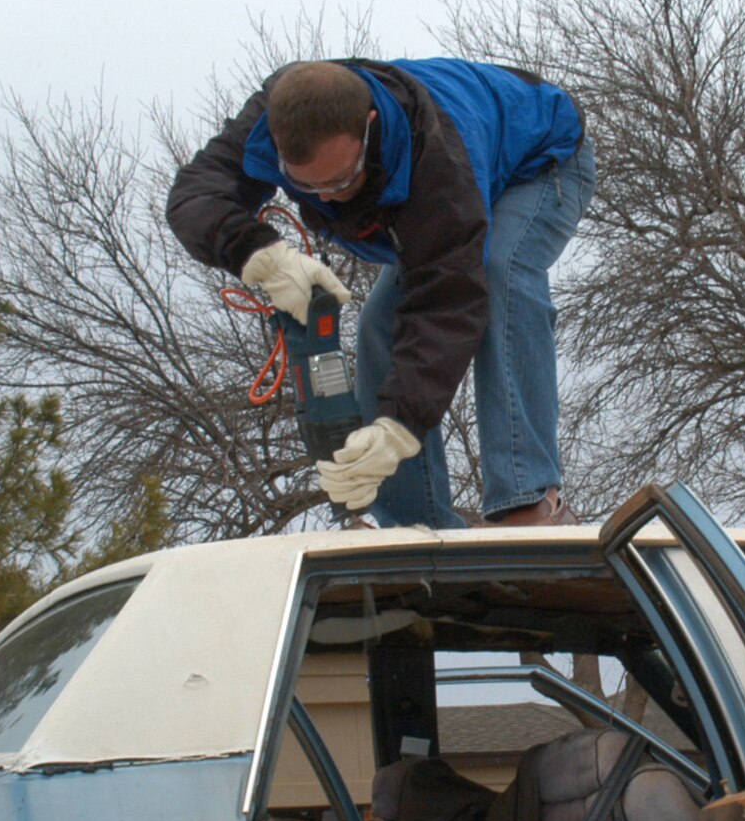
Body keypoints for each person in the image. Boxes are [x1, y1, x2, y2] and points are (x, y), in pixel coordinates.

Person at [167, 58, 594, 527]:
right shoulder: (273, 116)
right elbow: (196, 194)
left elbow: (447, 302)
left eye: (340, 181)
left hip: (541, 161)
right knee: (379, 326)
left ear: (370, 128)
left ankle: (528, 497)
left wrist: (399, 426)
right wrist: (261, 254)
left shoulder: (436, 160)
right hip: (466, 187)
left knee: (499, 271)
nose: (326, 198)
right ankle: (413, 523)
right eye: (306, 186)